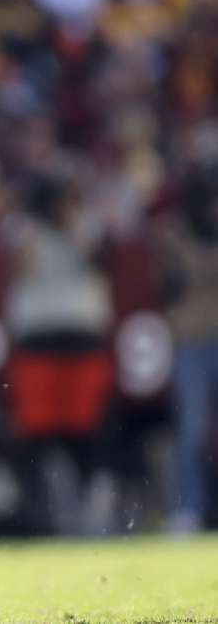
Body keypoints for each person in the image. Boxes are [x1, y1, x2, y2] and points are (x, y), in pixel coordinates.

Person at [4, 173, 115, 535]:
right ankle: (43, 514)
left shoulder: (89, 227)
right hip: (38, 342)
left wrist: (69, 227)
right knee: (37, 431)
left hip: (81, 340)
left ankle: (93, 511)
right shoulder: (25, 230)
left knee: (86, 430)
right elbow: (20, 265)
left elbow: (102, 260)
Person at [158, 164, 218, 534]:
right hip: (191, 340)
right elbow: (168, 289)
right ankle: (190, 508)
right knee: (192, 430)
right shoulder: (173, 235)